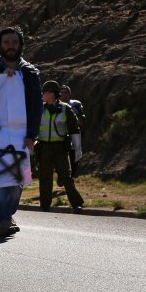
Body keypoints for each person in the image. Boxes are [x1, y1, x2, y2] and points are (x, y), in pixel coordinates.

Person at [0, 27, 42, 237]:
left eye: (14, 42)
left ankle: (8, 214)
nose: (10, 46)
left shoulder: (30, 72)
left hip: (20, 136)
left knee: (17, 180)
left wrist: (32, 135)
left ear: (20, 45)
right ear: (0, 46)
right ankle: (2, 219)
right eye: (6, 42)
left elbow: (36, 106)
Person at [37, 81, 84, 213]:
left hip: (60, 149)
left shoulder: (66, 109)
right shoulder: (39, 108)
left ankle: (76, 204)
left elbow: (74, 130)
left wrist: (77, 148)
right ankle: (45, 206)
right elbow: (31, 129)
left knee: (66, 177)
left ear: (51, 93)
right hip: (43, 148)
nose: (42, 94)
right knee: (45, 177)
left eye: (44, 92)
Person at [59, 85, 85, 177]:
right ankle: (61, 176)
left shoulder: (75, 104)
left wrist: (74, 124)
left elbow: (81, 119)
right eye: (62, 93)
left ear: (70, 94)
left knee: (74, 155)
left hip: (73, 133)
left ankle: (72, 176)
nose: (64, 95)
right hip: (60, 134)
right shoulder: (55, 105)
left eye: (66, 92)